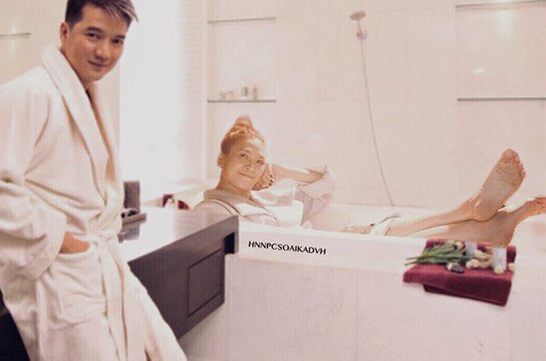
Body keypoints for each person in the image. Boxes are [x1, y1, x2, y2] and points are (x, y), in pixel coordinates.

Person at [0, 0, 185, 361]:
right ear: (65, 32)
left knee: (163, 351)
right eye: (93, 35)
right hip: (60, 275)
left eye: (117, 41)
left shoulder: (90, 95)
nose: (105, 51)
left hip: (101, 263)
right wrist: (60, 238)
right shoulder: (26, 93)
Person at [194, 116, 545, 246]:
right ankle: (486, 215)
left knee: (392, 229)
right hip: (319, 254)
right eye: (243, 157)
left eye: (259, 161)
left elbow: (326, 185)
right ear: (222, 159)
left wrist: (282, 171)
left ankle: (483, 214)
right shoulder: (211, 210)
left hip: (330, 245)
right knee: (397, 238)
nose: (252, 167)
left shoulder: (269, 198)